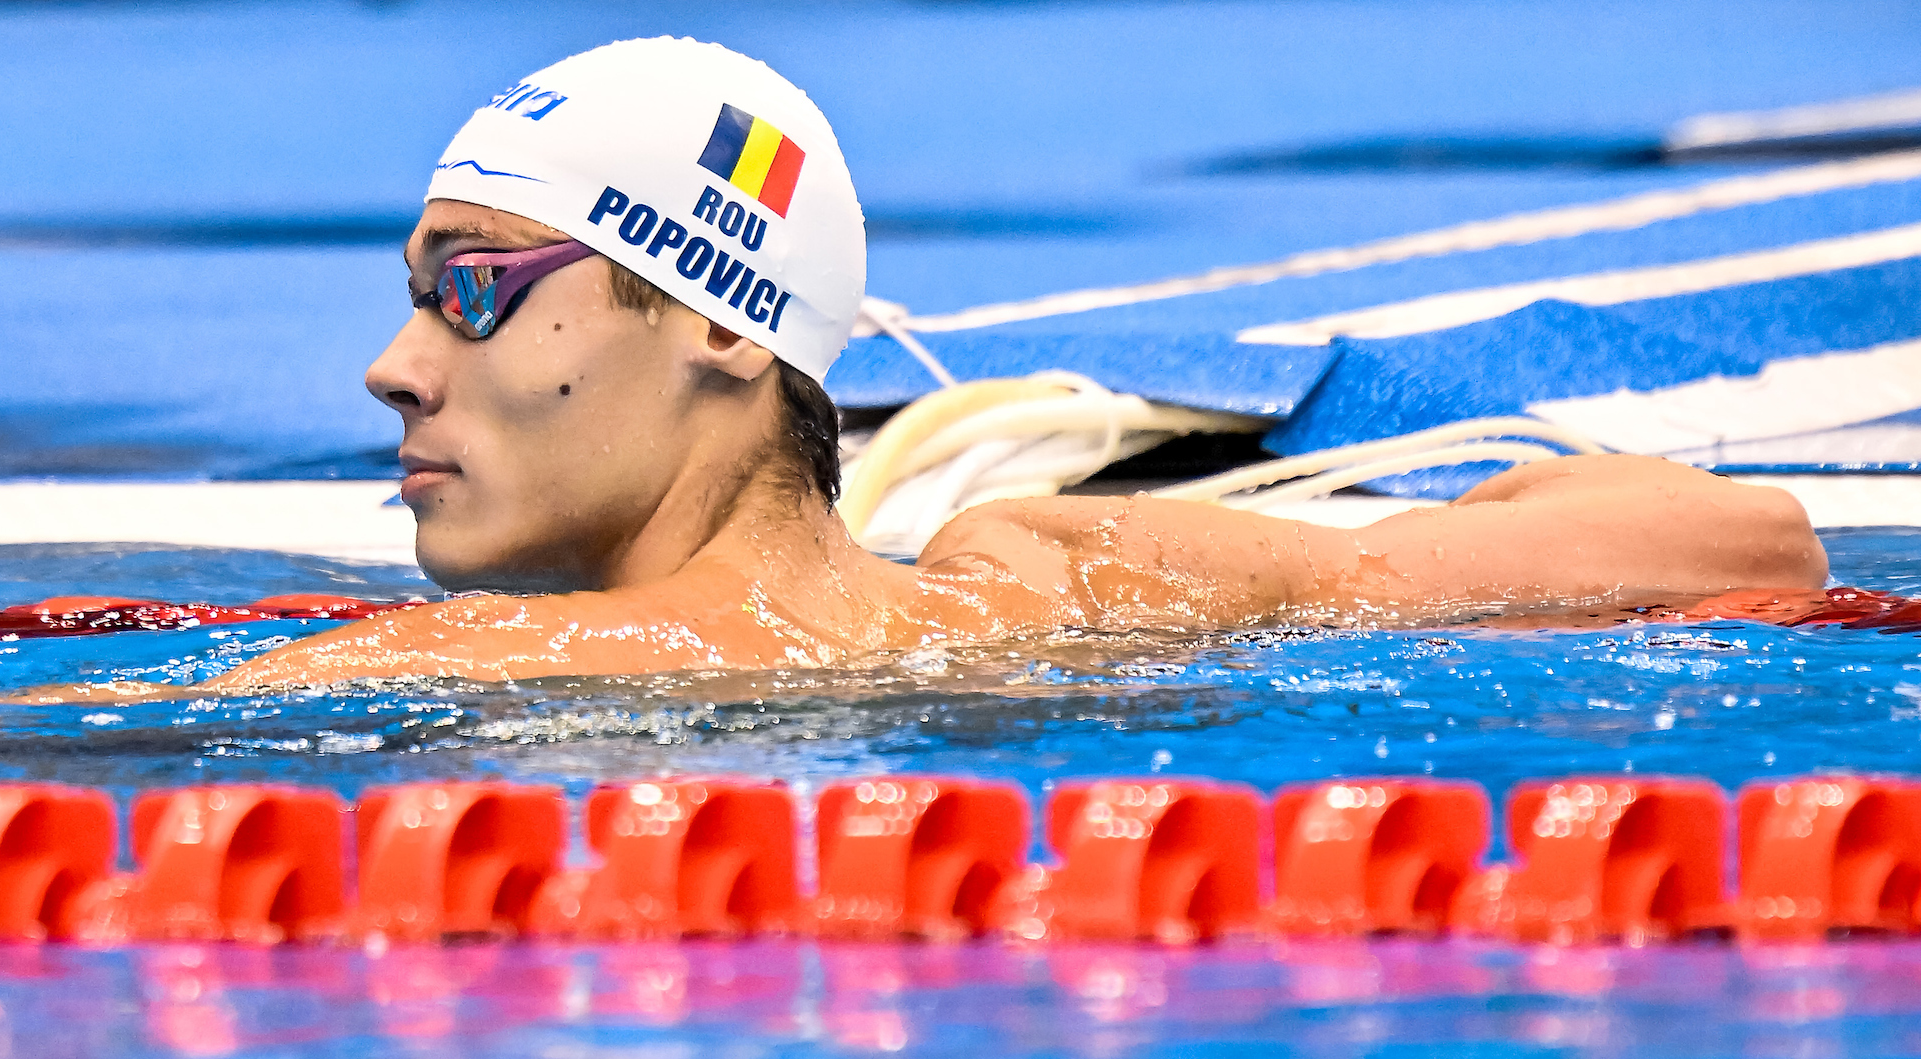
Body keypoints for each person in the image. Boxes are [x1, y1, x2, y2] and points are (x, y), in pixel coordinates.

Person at [178, 38, 1820, 697]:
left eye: (472, 290)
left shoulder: (432, 672)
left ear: (722, 325)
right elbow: (1756, 551)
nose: (393, 368)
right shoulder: (1049, 582)